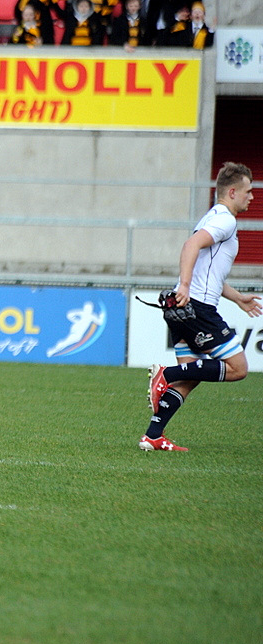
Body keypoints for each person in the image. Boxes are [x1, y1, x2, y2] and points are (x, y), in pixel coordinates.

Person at [141, 162, 260, 452]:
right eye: (248, 191)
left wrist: (237, 297)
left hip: (182, 308)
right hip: (196, 307)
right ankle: (165, 374)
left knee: (191, 375)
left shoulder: (213, 216)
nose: (252, 197)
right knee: (238, 368)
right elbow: (191, 245)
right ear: (232, 192)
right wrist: (184, 286)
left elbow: (209, 272)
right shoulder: (225, 221)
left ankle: (153, 436)